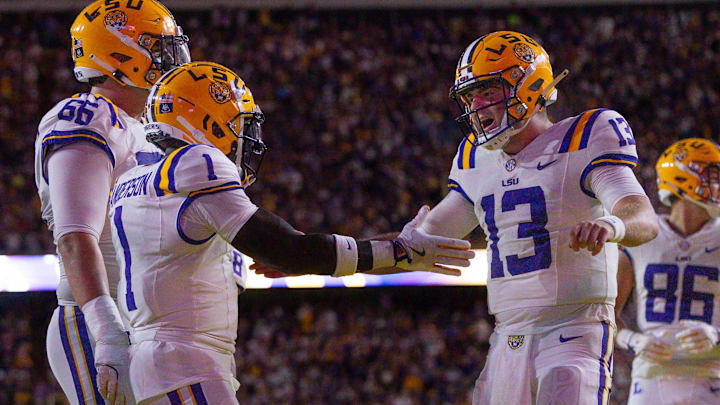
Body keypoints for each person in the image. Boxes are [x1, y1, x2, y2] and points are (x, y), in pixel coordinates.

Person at [107, 61, 474, 404]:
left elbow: (291, 248)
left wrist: (392, 243)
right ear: (207, 119)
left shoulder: (136, 180)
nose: (244, 137)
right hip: (183, 366)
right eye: (236, 123)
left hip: (160, 361)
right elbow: (292, 250)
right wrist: (398, 252)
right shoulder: (197, 164)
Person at [416, 31, 659, 405]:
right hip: (507, 338)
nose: (476, 107)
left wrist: (612, 225)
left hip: (575, 328)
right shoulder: (474, 158)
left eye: (486, 91)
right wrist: (355, 253)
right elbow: (422, 241)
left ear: (527, 85)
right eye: (469, 97)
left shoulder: (584, 135)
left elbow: (642, 216)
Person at [34, 1, 190, 404]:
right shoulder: (87, 117)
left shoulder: (143, 129)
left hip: (147, 324)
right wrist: (107, 331)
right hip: (103, 324)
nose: (169, 61)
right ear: (122, 56)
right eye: (158, 49)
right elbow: (75, 237)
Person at [615, 138, 720, 405]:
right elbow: (605, 316)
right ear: (684, 178)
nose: (717, 185)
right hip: (651, 373)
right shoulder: (643, 233)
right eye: (712, 176)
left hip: (712, 372)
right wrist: (634, 340)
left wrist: (716, 335)